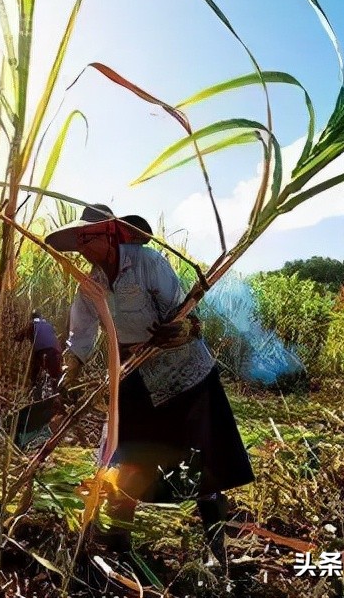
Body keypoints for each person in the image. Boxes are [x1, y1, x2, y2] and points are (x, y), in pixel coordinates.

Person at [46, 203, 254, 573]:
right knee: (125, 457)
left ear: (110, 235)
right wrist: (71, 368)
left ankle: (217, 550)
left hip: (184, 372)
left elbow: (185, 315)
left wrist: (182, 330)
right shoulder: (90, 283)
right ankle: (121, 546)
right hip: (135, 374)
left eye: (88, 237)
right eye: (78, 240)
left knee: (201, 464)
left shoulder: (147, 262)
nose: (82, 246)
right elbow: (82, 334)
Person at [14, 311, 63, 401]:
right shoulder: (48, 324)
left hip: (41, 350)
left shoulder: (31, 324)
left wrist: (16, 337)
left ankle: (33, 392)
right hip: (56, 350)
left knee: (34, 372)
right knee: (55, 375)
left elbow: (19, 337)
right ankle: (58, 394)